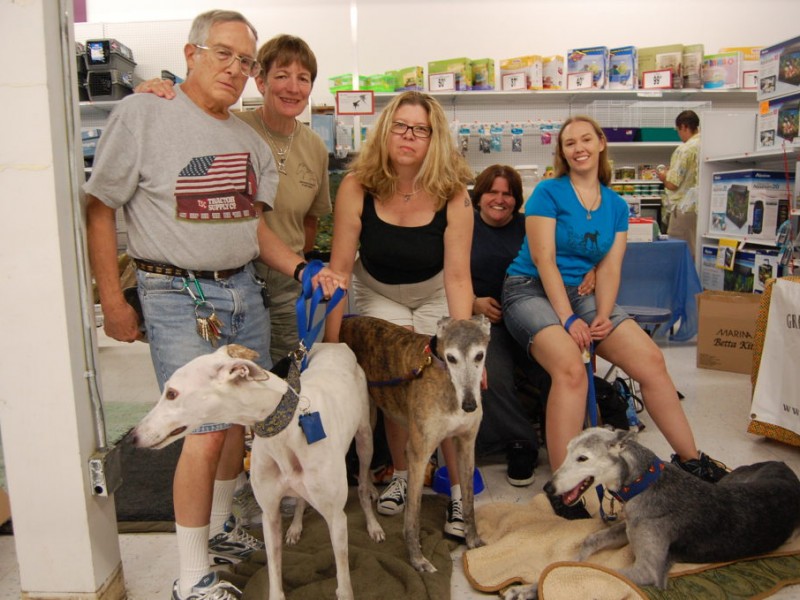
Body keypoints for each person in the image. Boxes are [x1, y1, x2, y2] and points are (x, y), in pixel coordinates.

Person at [85, 11, 341, 600]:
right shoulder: (144, 111)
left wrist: (305, 267)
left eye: (244, 60)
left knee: (236, 423)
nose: (235, 69)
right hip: (174, 292)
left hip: (241, 288)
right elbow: (100, 207)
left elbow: (257, 231)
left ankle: (222, 526)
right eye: (222, 54)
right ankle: (192, 577)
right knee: (202, 428)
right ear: (191, 53)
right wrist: (110, 300)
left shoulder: (247, 139)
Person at [501, 115, 728, 520]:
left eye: (586, 139)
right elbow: (544, 260)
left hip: (584, 295)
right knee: (570, 368)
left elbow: (609, 267)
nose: (578, 148)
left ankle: (691, 461)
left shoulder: (616, 205)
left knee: (652, 362)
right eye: (569, 143)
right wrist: (570, 320)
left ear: (601, 143)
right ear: (563, 152)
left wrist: (603, 316)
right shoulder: (547, 193)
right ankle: (564, 488)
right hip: (530, 288)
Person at [323, 91, 475, 539]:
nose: (409, 136)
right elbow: (339, 272)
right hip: (379, 291)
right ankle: (403, 476)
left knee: (441, 385)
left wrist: (461, 348)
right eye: (400, 126)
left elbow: (460, 277)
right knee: (398, 379)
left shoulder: (454, 194)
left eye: (421, 129)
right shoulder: (357, 185)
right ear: (385, 131)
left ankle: (458, 498)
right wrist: (330, 351)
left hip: (434, 292)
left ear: (434, 139)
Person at [135, 34, 331, 365]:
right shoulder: (230, 126)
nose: (292, 88)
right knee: (227, 380)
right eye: (281, 76)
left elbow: (310, 221)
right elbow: (180, 117)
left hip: (287, 284)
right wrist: (151, 94)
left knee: (287, 379)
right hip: (232, 279)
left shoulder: (315, 147)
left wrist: (297, 266)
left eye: (303, 78)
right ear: (260, 80)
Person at [471, 165, 594, 487]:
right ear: (479, 196)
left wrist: (594, 270)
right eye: (492, 192)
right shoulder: (464, 226)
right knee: (491, 374)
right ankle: (520, 441)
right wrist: (473, 301)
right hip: (488, 321)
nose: (500, 200)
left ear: (517, 199)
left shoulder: (532, 225)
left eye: (507, 194)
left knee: (560, 368)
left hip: (535, 313)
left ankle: (568, 442)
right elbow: (447, 273)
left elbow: (572, 254)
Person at [657, 110, 701, 258]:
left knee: (679, 255)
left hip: (684, 209)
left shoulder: (684, 149)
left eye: (678, 131)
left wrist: (663, 176)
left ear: (683, 127)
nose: (679, 135)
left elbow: (672, 184)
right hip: (703, 209)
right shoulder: (707, 144)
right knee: (697, 252)